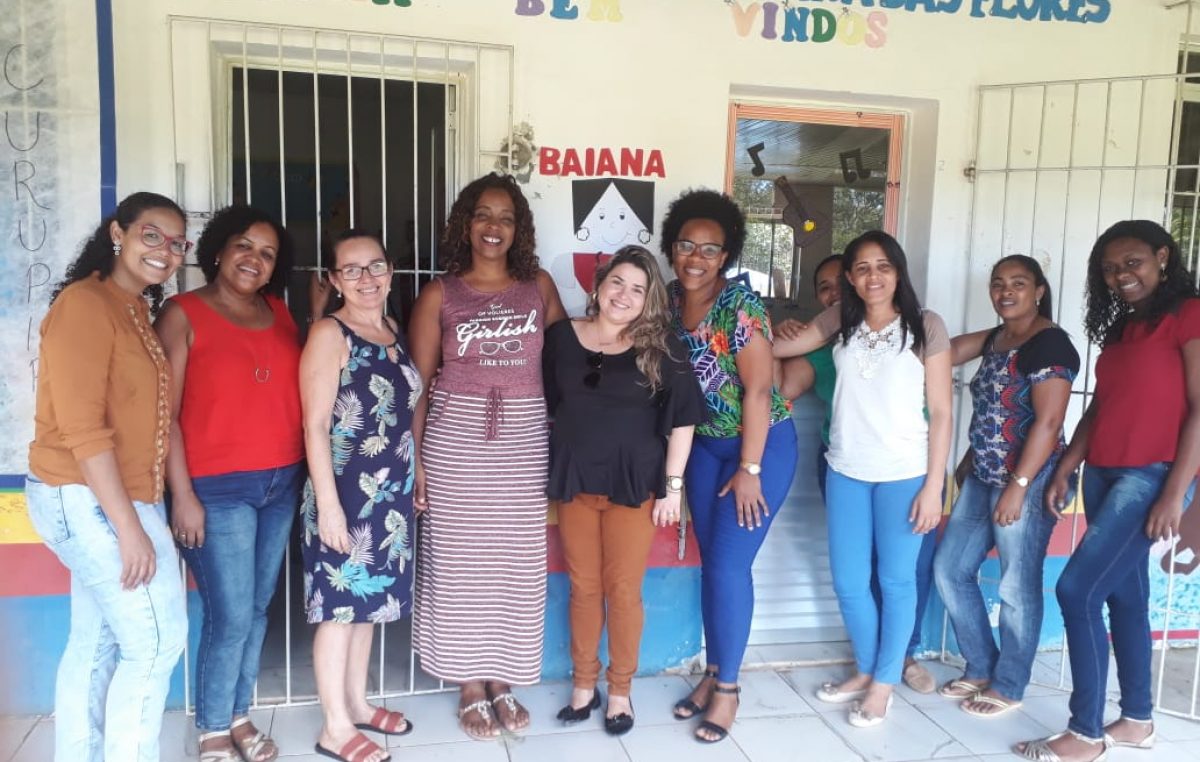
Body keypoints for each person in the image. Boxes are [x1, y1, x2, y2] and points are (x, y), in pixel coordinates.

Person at [1016, 221, 1200, 762]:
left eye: (1133, 262)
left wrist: (1175, 491)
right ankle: (1138, 721)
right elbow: (1103, 405)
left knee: (1077, 591)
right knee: (1126, 596)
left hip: (1152, 474)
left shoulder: (1189, 314)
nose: (1121, 275)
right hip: (1103, 472)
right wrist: (1067, 464)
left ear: (1162, 257)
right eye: (1110, 268)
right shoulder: (1124, 327)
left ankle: (1085, 732)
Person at [26, 191, 190, 762]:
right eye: (152, 235)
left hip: (115, 497)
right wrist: (130, 529)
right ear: (118, 233)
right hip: (90, 498)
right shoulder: (85, 304)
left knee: (96, 646)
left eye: (176, 243)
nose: (165, 251)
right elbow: (83, 429)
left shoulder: (134, 309)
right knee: (154, 644)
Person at [408, 173, 566, 741]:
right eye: (482, 214)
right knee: (459, 565)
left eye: (505, 216)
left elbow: (567, 368)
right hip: (455, 442)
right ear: (465, 224)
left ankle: (502, 675)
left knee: (513, 563)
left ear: (518, 226)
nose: (492, 226)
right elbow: (419, 383)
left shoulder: (539, 287)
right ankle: (468, 681)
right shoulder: (440, 294)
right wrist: (415, 460)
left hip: (523, 440)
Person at [773, 230, 952, 727]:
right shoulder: (840, 319)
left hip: (904, 474)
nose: (873, 276)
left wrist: (933, 487)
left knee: (895, 582)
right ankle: (868, 668)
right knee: (851, 583)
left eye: (883, 266)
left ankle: (883, 684)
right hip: (846, 469)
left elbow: (940, 412)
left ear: (898, 272)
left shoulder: (925, 325)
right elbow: (783, 348)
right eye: (862, 268)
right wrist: (742, 337)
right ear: (850, 277)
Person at [154, 205, 303, 762]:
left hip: (280, 481)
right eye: (244, 245)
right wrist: (184, 494)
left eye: (267, 254)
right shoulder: (182, 312)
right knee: (230, 612)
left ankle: (240, 714)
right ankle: (213, 724)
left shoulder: (280, 313)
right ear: (217, 249)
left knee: (259, 607)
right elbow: (162, 413)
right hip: (215, 488)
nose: (254, 259)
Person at [544, 245, 706, 736]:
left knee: (623, 591)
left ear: (649, 299)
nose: (625, 295)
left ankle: (619, 690)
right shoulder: (560, 338)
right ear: (598, 285)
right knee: (584, 587)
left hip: (635, 485)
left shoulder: (663, 347)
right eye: (618, 282)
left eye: (638, 289)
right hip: (575, 480)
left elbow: (682, 422)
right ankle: (582, 684)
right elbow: (548, 405)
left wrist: (673, 489)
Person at [661, 189, 799, 744]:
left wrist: (752, 468)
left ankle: (729, 690)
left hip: (760, 447)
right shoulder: (669, 300)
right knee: (709, 566)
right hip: (702, 449)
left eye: (710, 250)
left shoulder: (739, 307)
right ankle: (714, 671)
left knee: (727, 568)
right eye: (686, 245)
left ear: (726, 256)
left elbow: (761, 390)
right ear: (672, 247)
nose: (696, 257)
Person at [932, 255, 1079, 719]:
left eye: (1018, 283)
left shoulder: (1050, 344)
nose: (1006, 291)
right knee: (950, 569)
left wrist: (1018, 486)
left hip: (1027, 480)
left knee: (1017, 585)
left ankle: (1011, 684)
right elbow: (941, 353)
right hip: (983, 476)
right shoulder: (998, 338)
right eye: (998, 284)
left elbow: (1049, 420)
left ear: (1039, 290)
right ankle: (981, 667)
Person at [300, 230, 420, 762]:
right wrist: (328, 505)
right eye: (352, 270)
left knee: (369, 603)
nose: (367, 279)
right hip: (345, 492)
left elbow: (400, 415)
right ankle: (334, 727)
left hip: (389, 492)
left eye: (375, 267)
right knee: (338, 606)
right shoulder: (331, 333)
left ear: (390, 271)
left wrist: (414, 478)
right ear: (333, 280)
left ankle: (358, 702)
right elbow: (315, 423)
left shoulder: (391, 330)